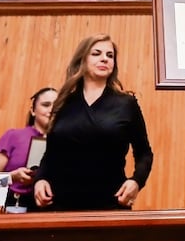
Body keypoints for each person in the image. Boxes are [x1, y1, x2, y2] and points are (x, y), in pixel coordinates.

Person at [33, 35, 153, 211]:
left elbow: (144, 153)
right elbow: (51, 154)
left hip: (109, 204)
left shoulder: (126, 103)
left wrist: (136, 181)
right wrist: (40, 179)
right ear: (82, 59)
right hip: (59, 204)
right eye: (96, 53)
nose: (104, 58)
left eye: (110, 55)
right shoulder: (63, 102)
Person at [0, 87, 58, 211]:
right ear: (33, 110)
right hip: (11, 205)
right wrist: (12, 177)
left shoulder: (67, 142)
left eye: (57, 105)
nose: (52, 110)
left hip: (50, 208)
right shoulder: (13, 136)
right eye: (46, 105)